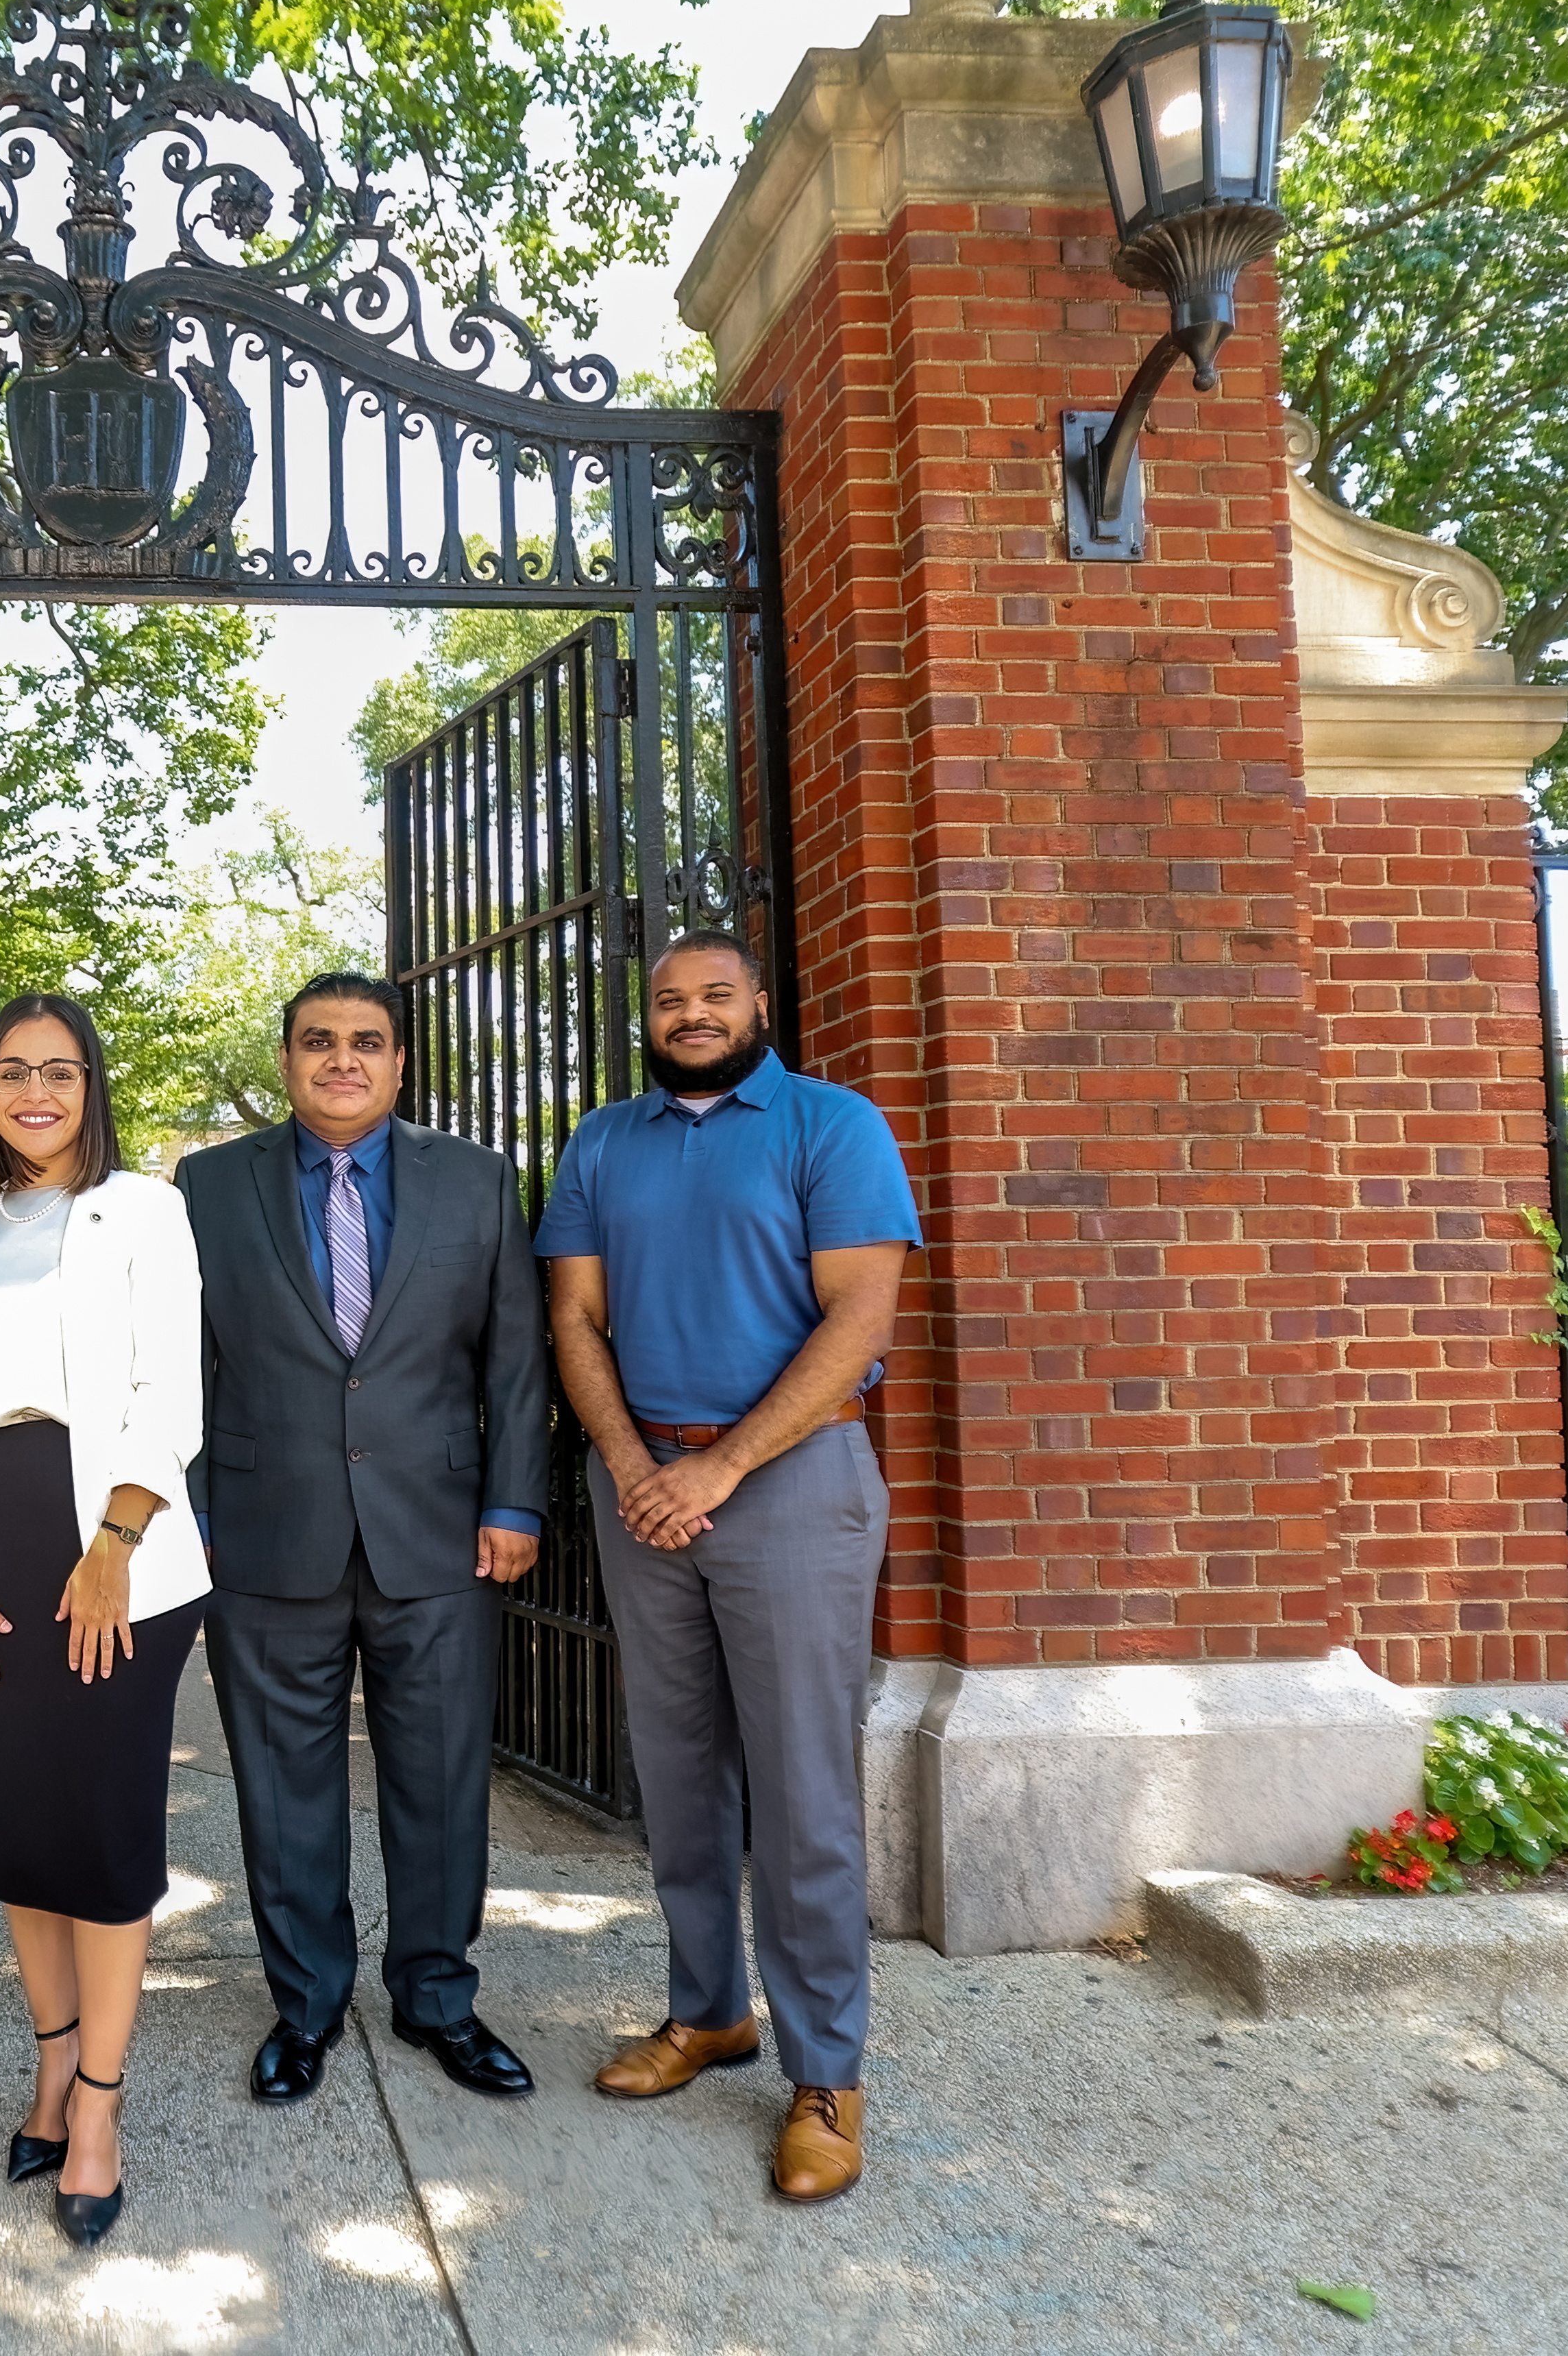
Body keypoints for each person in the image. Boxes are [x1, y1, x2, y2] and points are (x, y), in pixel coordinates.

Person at [535, 928, 918, 2205]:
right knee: (679, 1774)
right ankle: (708, 2013)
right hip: (642, 1485)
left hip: (793, 1485)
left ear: (759, 1002)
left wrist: (720, 1468)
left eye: (714, 995)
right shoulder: (604, 1141)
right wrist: (636, 1464)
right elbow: (575, 1318)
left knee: (805, 1790)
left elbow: (861, 1315)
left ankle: (825, 2071)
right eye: (668, 999)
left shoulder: (831, 1125)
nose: (690, 1014)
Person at [175, 969, 551, 2107]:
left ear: (398, 1062)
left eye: (367, 1042)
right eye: (319, 1041)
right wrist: (188, 1518)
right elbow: (179, 1361)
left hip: (439, 1538)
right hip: (261, 1537)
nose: (343, 1059)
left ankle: (438, 1997)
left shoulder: (478, 1185)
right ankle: (307, 2007)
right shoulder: (206, 1185)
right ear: (288, 1059)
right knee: (284, 1789)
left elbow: (517, 1360)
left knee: (439, 1782)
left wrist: (515, 1502)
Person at [0, 991, 210, 2250]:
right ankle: (50, 2059)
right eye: (14, 1071)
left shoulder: (145, 1209)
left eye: (61, 1072)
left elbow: (168, 1387)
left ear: (93, 1086)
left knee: (107, 1832)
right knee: (22, 1834)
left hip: (110, 1541)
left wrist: (114, 1548)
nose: (36, 1092)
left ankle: (99, 2107)